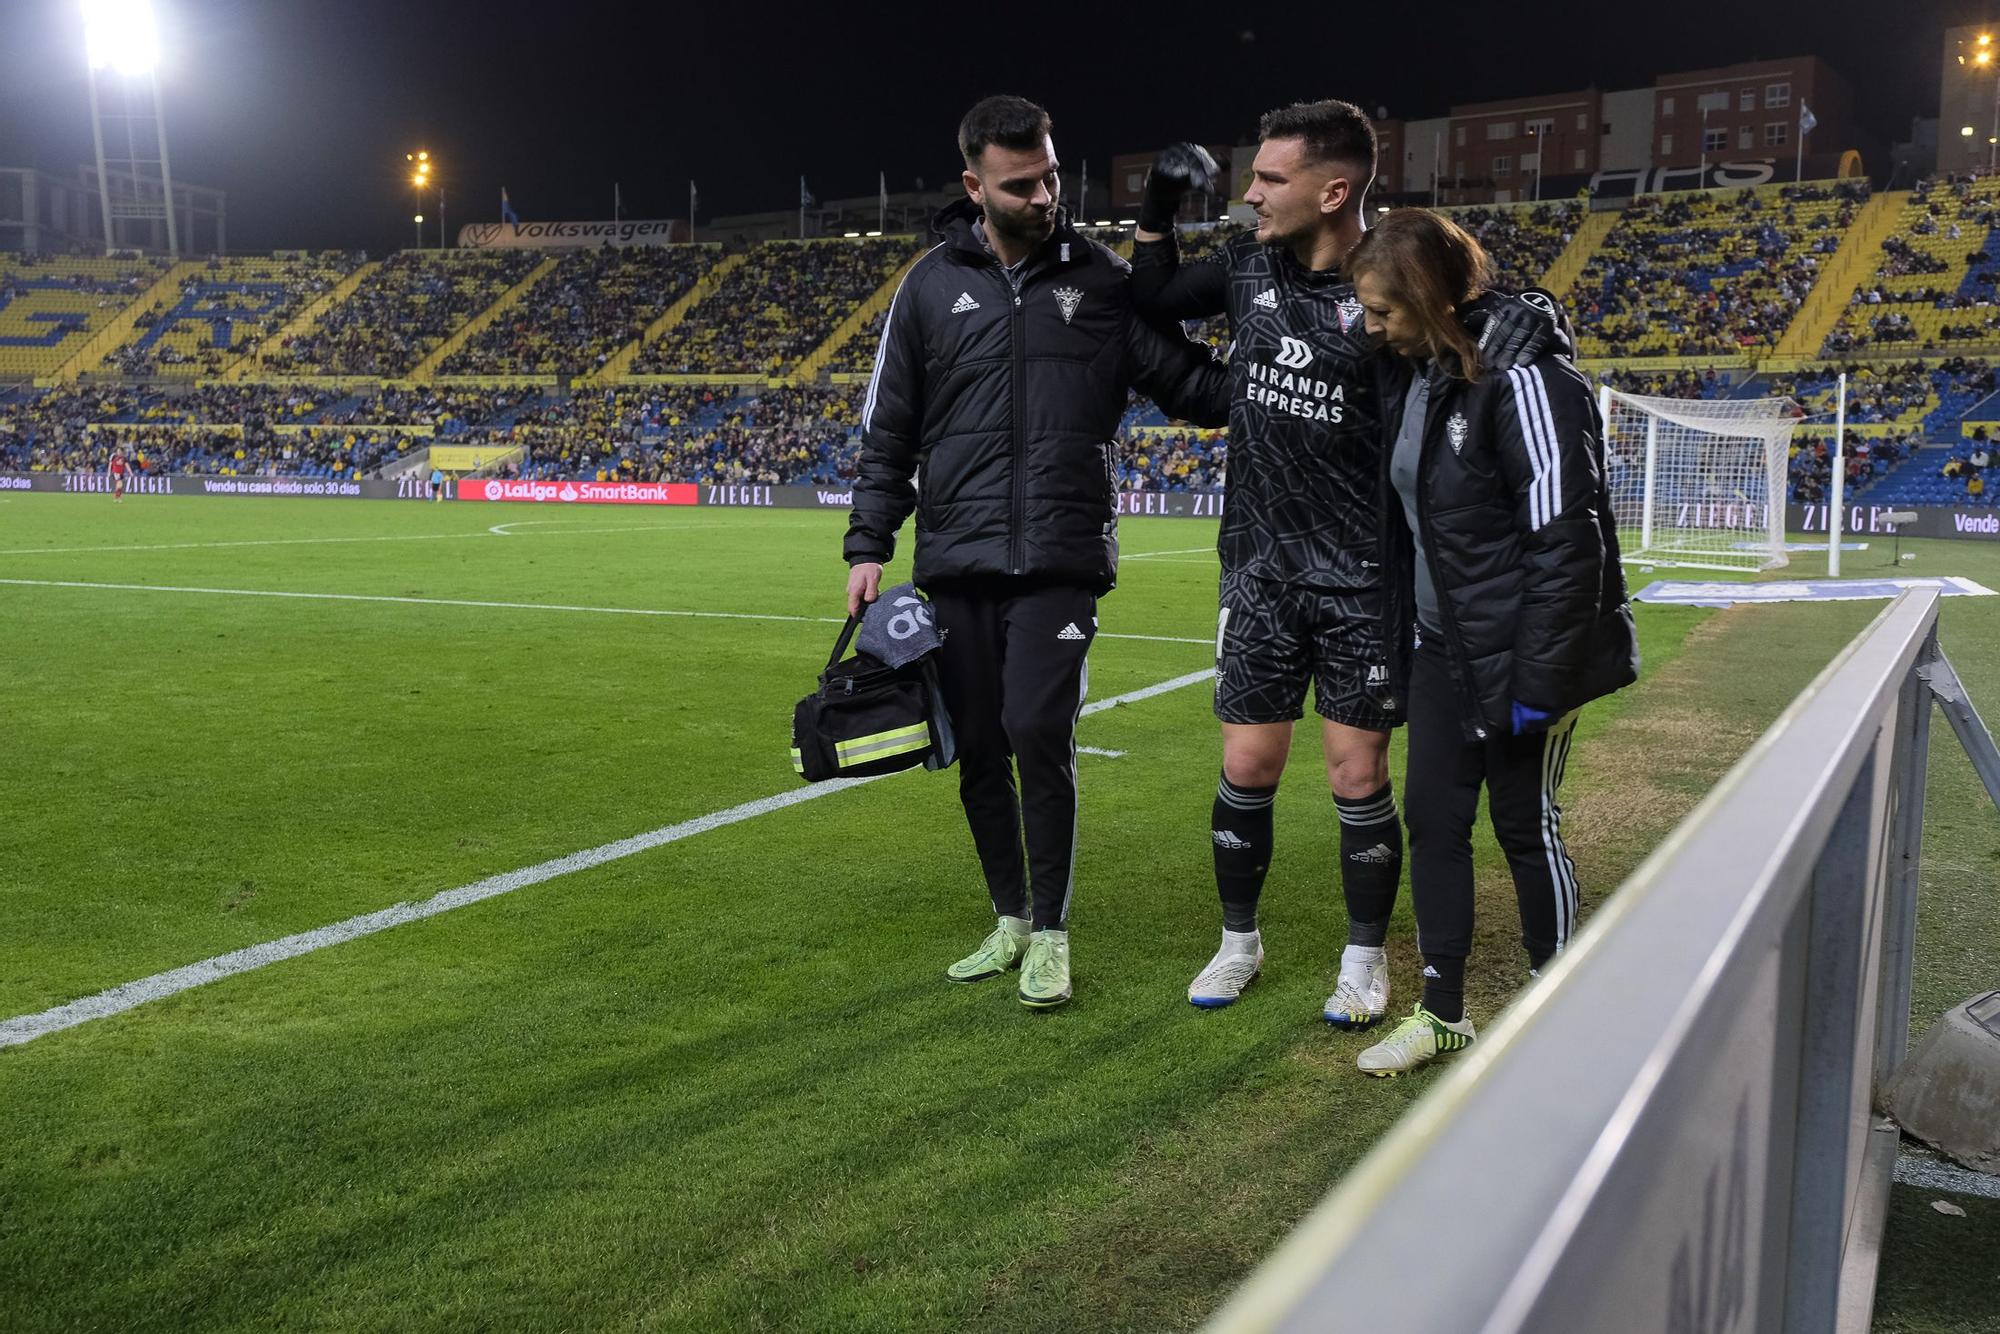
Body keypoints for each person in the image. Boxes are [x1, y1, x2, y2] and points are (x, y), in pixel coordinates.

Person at [1128, 101, 1562, 1020]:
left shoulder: (1390, 279)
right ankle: (1236, 942)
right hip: (1258, 563)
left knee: (1355, 778)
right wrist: (1157, 216)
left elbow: (1500, 307)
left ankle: (1365, 959)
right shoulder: (1249, 263)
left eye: (1269, 180)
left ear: (1333, 191)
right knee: (1246, 764)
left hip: (1367, 573)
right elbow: (1156, 298)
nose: (1250, 196)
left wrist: (1536, 319)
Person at [844, 94, 1229, 1010]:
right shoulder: (930, 288)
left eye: (1052, 174)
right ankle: (1010, 917)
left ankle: (1052, 931)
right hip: (956, 558)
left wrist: (1290, 361)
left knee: (1034, 731)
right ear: (976, 185)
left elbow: (1189, 383)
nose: (1045, 194)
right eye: (1022, 185)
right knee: (976, 747)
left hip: (1060, 554)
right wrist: (869, 543)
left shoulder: (1096, 282)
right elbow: (888, 427)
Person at [1343, 207, 1638, 1076]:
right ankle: (1443, 1014)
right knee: (1435, 823)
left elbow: (1568, 537)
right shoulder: (1417, 369)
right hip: (1443, 650)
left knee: (1523, 824)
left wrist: (1540, 682)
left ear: (1428, 299)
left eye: (1383, 311)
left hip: (1523, 657)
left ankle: (1559, 1003)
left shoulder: (1532, 383)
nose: (1370, 327)